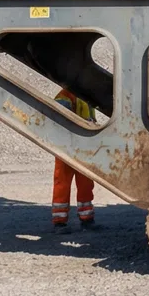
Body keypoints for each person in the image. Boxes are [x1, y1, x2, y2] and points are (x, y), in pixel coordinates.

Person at [51, 88, 95, 229]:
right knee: (62, 183)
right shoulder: (65, 95)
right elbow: (59, 117)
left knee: (85, 183)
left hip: (82, 147)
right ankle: (59, 221)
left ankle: (86, 218)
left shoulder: (88, 98)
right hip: (66, 146)